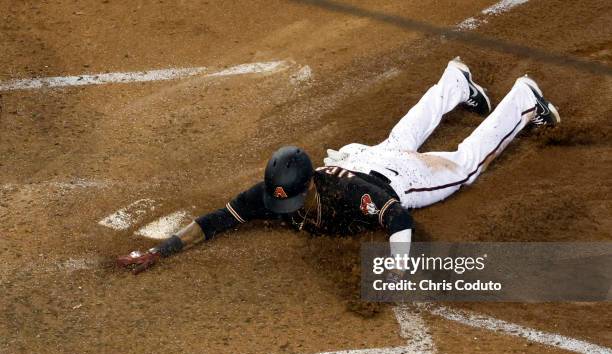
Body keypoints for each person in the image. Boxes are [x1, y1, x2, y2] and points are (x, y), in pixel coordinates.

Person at [117, 57, 560, 273]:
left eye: (293, 200)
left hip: (398, 178)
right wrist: (160, 251)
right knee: (398, 137)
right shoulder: (270, 195)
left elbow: (398, 219)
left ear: (309, 185)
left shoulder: (351, 196)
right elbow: (216, 221)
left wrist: (398, 270)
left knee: (463, 166)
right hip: (367, 156)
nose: (286, 209)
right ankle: (455, 83)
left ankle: (523, 99)